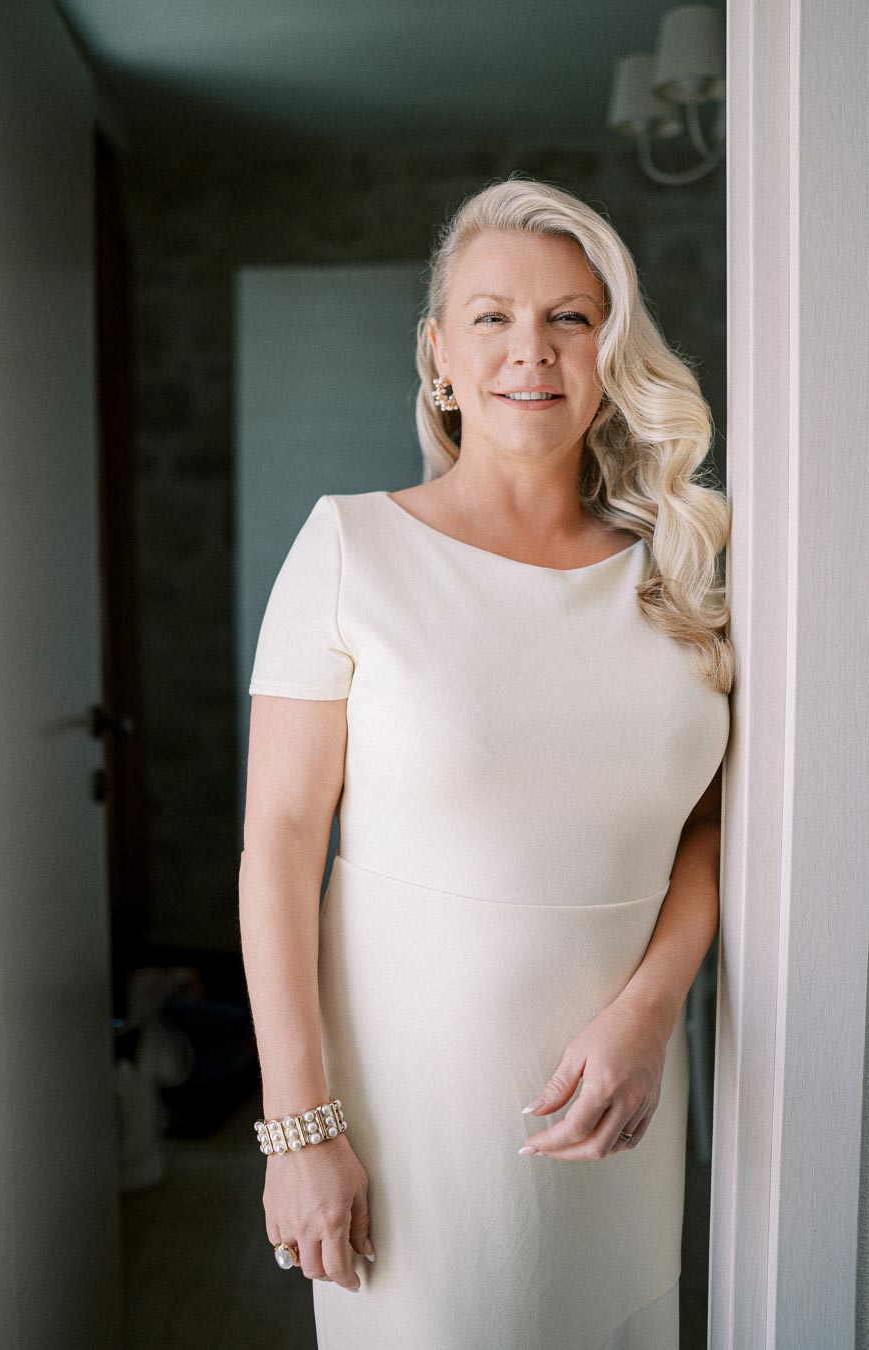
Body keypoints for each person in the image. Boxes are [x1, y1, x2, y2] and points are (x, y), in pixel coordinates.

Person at [239, 175, 734, 1350]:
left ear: (610, 349)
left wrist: (651, 1012)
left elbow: (717, 828)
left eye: (571, 317)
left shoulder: (683, 566)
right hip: (412, 1109)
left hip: (623, 1098)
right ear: (440, 355)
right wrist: (299, 1132)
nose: (533, 351)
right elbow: (280, 851)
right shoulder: (351, 548)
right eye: (493, 316)